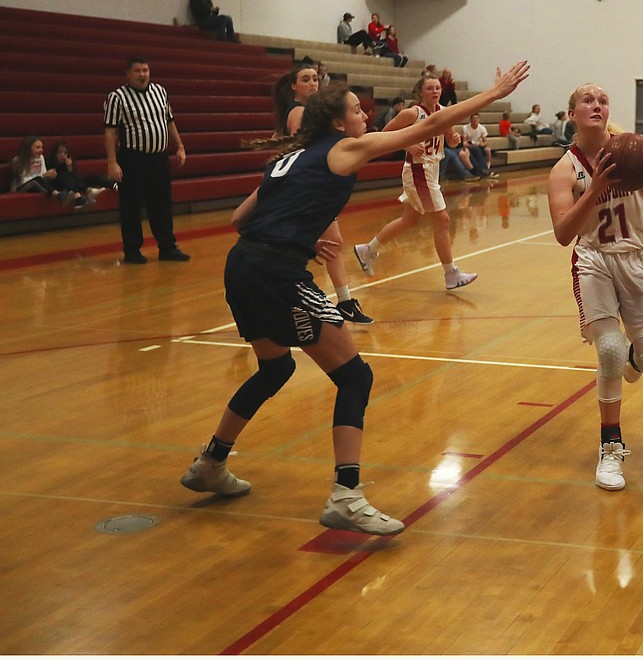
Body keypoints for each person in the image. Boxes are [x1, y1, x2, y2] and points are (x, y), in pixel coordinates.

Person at [179, 62, 530, 536]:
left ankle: (210, 463)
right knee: (355, 375)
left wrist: (298, 230)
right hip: (277, 274)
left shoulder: (287, 160)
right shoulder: (344, 149)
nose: (365, 115)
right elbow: (427, 125)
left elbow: (239, 219)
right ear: (339, 123)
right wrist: (494, 92)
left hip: (242, 265)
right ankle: (346, 495)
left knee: (276, 367)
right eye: (357, 111)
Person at [547, 83, 643, 492]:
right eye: (587, 100)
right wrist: (595, 190)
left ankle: (634, 358)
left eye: (602, 100)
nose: (596, 105)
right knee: (610, 351)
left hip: (638, 261)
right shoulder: (565, 170)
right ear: (571, 114)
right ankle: (610, 446)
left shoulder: (633, 151)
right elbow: (564, 233)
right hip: (594, 262)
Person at [353, 74, 480, 288]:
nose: (435, 91)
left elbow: (449, 139)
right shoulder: (413, 113)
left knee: (409, 220)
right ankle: (451, 273)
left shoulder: (443, 112)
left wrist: (454, 139)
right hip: (417, 169)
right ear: (420, 91)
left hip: (432, 169)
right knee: (443, 220)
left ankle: (368, 249)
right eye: (430, 88)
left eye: (437, 87)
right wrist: (407, 145)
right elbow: (385, 134)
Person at [273, 61, 372, 324]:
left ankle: (345, 300)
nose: (313, 83)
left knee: (332, 245)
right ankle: (326, 301)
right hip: (305, 191)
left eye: (315, 78)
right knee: (314, 247)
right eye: (306, 79)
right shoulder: (298, 113)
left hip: (310, 189)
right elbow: (301, 150)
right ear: (293, 85)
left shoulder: (310, 113)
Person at [104, 57, 191, 264]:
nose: (142, 74)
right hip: (133, 159)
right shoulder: (117, 98)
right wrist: (112, 162)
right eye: (137, 71)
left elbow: (169, 121)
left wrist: (179, 146)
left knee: (162, 204)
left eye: (145, 70)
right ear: (127, 74)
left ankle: (167, 247)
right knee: (131, 206)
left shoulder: (159, 92)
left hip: (159, 158)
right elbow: (110, 133)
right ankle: (132, 251)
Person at [8, 135, 84, 207]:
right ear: (28, 148)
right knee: (37, 180)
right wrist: (43, 176)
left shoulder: (41, 157)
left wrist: (48, 175)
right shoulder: (17, 161)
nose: (41, 150)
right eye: (37, 147)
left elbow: (43, 174)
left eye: (42, 147)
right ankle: (58, 195)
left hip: (37, 182)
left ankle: (76, 197)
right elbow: (22, 180)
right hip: (21, 187)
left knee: (60, 176)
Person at [48, 140, 115, 202]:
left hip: (76, 185)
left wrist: (70, 169)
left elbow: (76, 179)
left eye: (65, 153)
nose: (62, 155)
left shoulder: (68, 163)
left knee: (91, 177)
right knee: (65, 177)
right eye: (59, 153)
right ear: (55, 154)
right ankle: (88, 191)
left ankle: (113, 185)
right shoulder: (50, 163)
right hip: (63, 187)